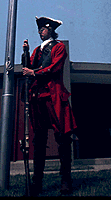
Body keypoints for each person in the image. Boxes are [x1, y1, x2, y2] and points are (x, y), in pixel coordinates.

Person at [22, 16, 77, 195]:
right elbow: (28, 68)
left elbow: (54, 68)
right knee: (39, 140)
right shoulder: (37, 50)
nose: (40, 32)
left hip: (54, 97)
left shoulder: (59, 47)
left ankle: (66, 179)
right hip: (38, 98)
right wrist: (26, 52)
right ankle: (37, 182)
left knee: (62, 138)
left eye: (43, 29)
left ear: (51, 30)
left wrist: (34, 72)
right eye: (39, 30)